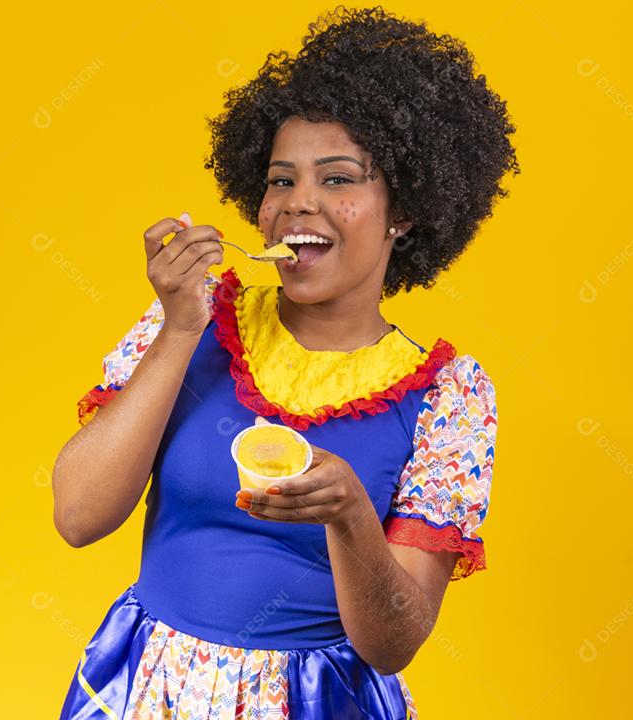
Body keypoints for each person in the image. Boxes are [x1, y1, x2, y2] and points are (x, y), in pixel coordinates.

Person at [53, 5, 519, 718]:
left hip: (322, 702)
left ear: (406, 210)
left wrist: (350, 516)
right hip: (149, 690)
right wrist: (180, 329)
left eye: (338, 180)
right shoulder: (196, 317)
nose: (300, 204)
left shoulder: (448, 397)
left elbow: (393, 643)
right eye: (281, 180)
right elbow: (79, 515)